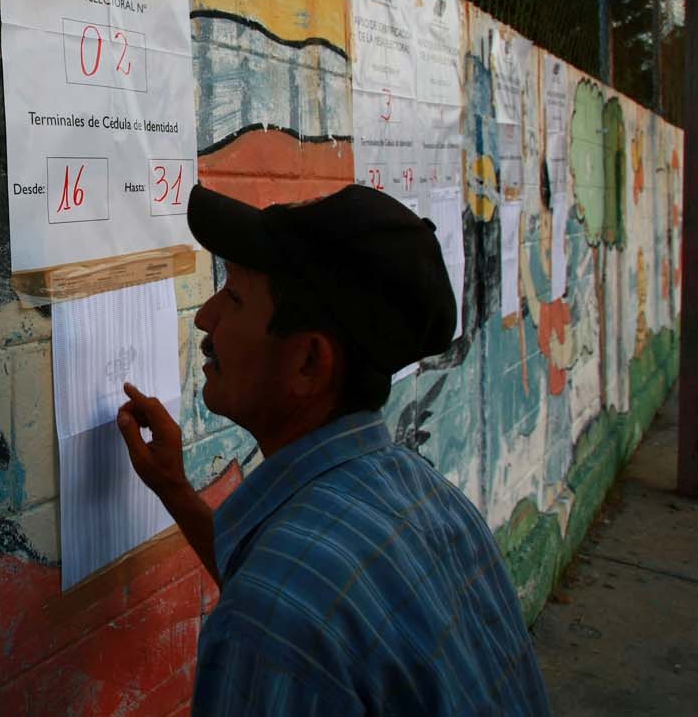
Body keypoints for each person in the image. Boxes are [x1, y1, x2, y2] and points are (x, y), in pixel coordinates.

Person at [116, 183, 550, 715]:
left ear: (309, 365)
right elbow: (311, 591)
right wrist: (176, 490)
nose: (206, 318)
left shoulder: (271, 624)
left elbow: (288, 610)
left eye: (234, 298)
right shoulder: (429, 501)